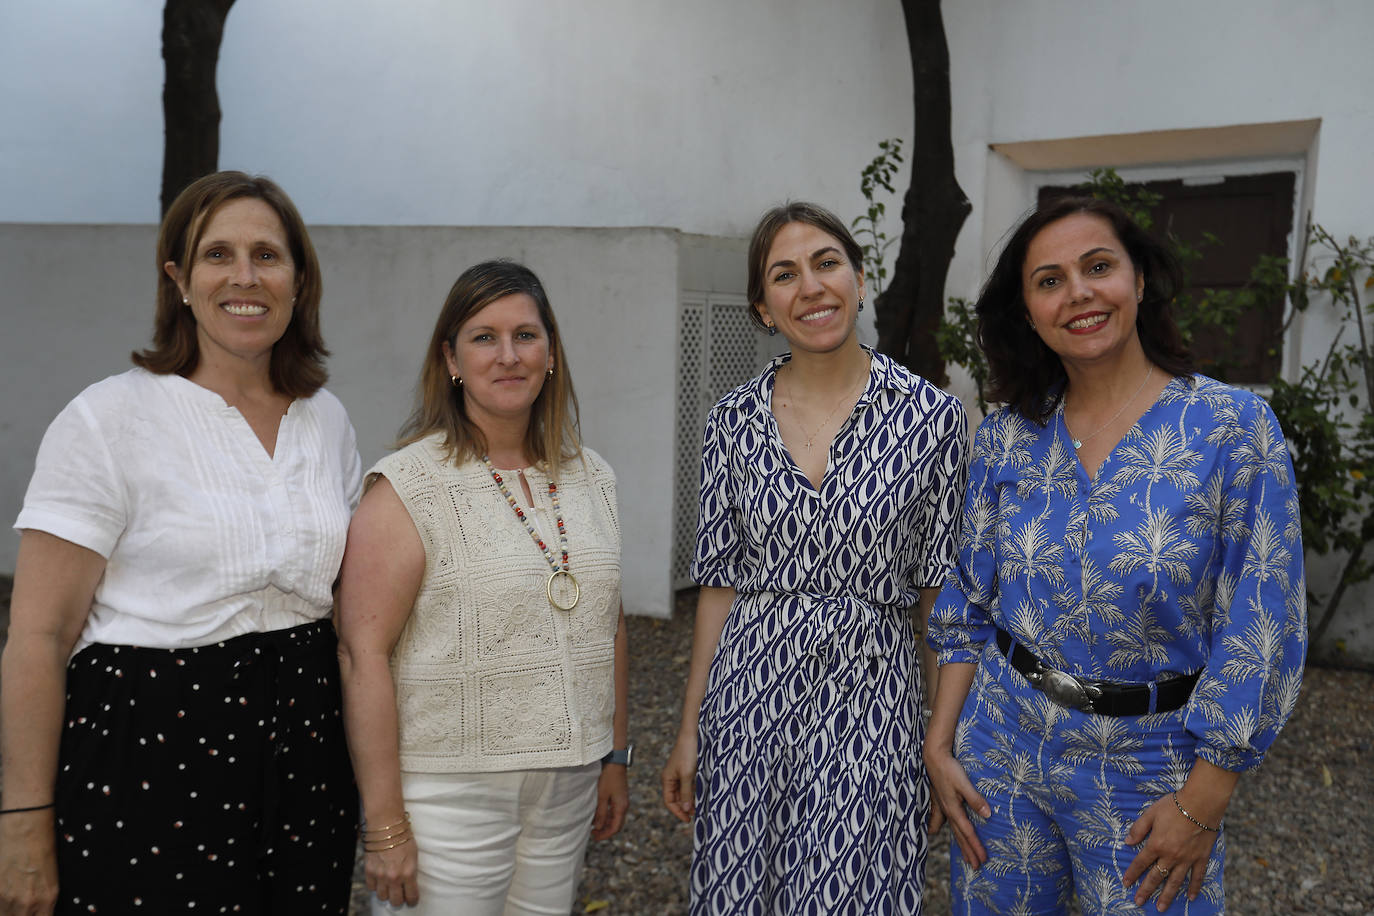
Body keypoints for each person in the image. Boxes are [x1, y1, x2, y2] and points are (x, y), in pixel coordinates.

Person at [925, 196, 1307, 914]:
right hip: (1001, 748)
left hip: (1152, 766)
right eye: (1048, 280)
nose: (1078, 293)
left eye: (1097, 266)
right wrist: (941, 747)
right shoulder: (1009, 433)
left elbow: (1263, 624)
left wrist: (1204, 801)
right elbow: (968, 600)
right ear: (1029, 312)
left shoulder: (1232, 430)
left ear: (1138, 279)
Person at [0, 171, 362, 914]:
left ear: (299, 278)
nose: (245, 277)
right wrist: (23, 818)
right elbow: (37, 636)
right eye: (217, 255)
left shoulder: (326, 422)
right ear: (178, 278)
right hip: (148, 756)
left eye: (267, 255)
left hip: (307, 761)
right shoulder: (107, 419)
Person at [661, 202, 967, 914]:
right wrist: (688, 729)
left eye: (826, 263)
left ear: (860, 279)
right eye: (784, 274)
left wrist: (940, 740)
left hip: (872, 701)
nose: (811, 287)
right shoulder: (731, 422)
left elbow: (938, 599)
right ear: (764, 309)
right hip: (747, 700)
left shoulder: (932, 421)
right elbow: (719, 584)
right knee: (741, 894)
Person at [337, 259, 629, 915]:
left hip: (570, 786)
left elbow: (607, 624)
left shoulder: (593, 478)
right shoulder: (408, 487)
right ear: (451, 358)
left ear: (551, 352)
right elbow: (362, 654)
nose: (508, 355)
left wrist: (616, 755)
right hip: (449, 792)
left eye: (526, 335)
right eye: (484, 337)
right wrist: (384, 825)